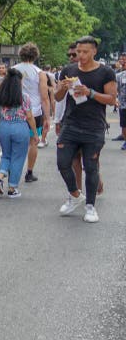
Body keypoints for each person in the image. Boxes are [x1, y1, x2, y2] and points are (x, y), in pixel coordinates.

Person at [54, 36, 117, 223]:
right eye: (78, 52)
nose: (80, 55)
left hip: (94, 126)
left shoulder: (105, 72)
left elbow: (111, 99)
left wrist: (90, 92)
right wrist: (63, 88)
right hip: (71, 124)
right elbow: (57, 97)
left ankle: (90, 206)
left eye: (85, 52)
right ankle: (74, 194)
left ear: (94, 52)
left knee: (90, 167)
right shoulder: (68, 70)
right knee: (62, 162)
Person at [0, 69, 37, 198]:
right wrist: (34, 133)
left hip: (4, 126)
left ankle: (0, 177)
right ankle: (12, 188)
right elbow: (29, 116)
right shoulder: (24, 97)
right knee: (18, 157)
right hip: (19, 127)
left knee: (6, 155)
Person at [12, 43, 50, 183]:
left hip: (14, 111)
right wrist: (48, 118)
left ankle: (10, 170)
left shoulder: (12, 70)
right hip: (34, 112)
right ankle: (29, 172)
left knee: (15, 143)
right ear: (35, 56)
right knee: (33, 142)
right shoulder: (40, 73)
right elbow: (44, 97)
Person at [115, 52, 126, 149]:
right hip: (123, 104)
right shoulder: (119, 75)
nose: (123, 62)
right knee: (124, 125)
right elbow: (116, 88)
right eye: (122, 60)